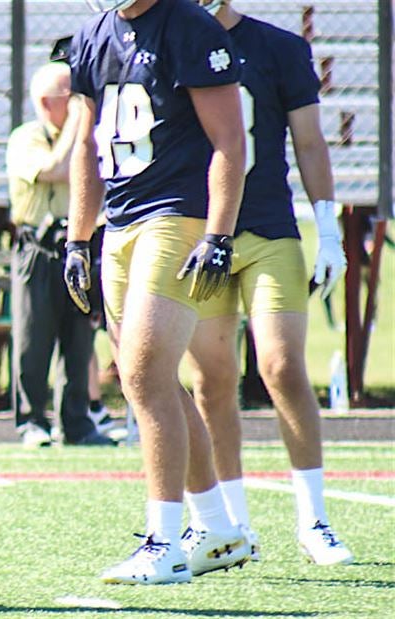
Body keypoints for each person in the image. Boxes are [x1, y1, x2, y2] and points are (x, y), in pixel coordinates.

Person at [65, 0, 252, 583]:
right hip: (120, 222)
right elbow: (87, 145)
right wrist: (77, 237)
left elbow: (229, 140)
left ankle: (164, 540)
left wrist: (219, 233)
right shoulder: (94, 33)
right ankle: (218, 526)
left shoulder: (188, 25)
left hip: (175, 215)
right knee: (152, 380)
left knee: (143, 376)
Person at [184, 0, 353, 566]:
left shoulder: (278, 46)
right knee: (211, 379)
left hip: (267, 226)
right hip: (197, 228)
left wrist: (328, 231)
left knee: (281, 366)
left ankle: (314, 519)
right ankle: (233, 525)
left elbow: (308, 140)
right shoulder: (167, 39)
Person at [6, 61, 113, 448]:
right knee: (33, 339)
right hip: (38, 246)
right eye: (71, 97)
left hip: (76, 244)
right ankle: (31, 422)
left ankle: (77, 422)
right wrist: (78, 123)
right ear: (47, 102)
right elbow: (55, 169)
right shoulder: (26, 137)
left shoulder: (89, 137)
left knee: (79, 340)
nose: (79, 104)